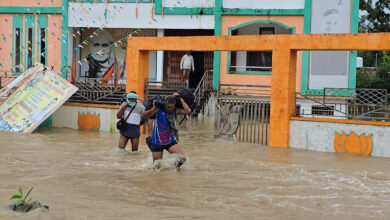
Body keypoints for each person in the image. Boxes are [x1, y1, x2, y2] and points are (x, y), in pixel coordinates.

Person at [141, 93, 191, 169]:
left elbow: (188, 111)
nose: (170, 108)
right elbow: (143, 116)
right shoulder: (158, 109)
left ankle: (173, 170)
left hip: (169, 140)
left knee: (183, 157)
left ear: (174, 105)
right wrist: (153, 110)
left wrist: (180, 99)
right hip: (157, 141)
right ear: (165, 104)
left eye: (172, 106)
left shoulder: (175, 111)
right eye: (168, 106)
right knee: (156, 167)